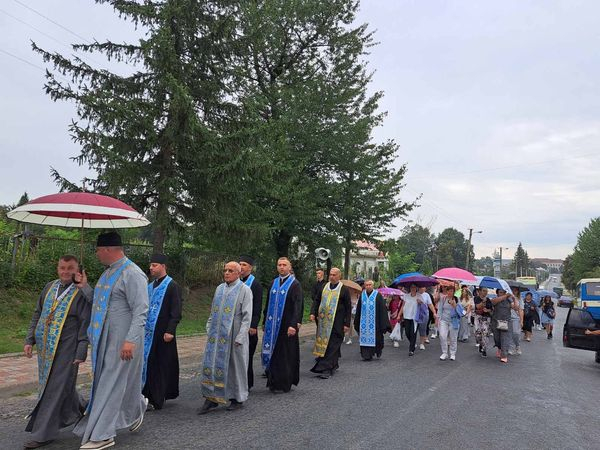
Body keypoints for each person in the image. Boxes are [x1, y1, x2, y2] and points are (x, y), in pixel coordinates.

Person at [73, 231, 149, 450]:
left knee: (110, 383)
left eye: (97, 251)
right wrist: (84, 287)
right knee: (112, 382)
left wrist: (130, 340)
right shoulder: (108, 274)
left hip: (123, 341)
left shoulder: (133, 273)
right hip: (105, 339)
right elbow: (99, 303)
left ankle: (103, 434)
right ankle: (136, 407)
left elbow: (141, 310)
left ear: (107, 249)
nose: (96, 255)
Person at [23, 255, 91, 449]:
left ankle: (43, 434)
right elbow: (38, 313)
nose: (65, 272)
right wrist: (30, 340)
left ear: (78, 270)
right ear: (57, 268)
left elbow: (85, 323)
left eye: (70, 268)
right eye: (62, 267)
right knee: (59, 386)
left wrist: (81, 351)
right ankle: (85, 409)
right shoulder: (49, 287)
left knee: (55, 387)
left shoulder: (80, 292)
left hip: (68, 348)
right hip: (46, 348)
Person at [198, 262, 252, 414]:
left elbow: (247, 316)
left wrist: (241, 336)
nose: (227, 273)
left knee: (235, 366)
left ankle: (237, 398)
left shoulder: (244, 290)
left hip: (234, 333)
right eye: (225, 270)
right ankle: (211, 397)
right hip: (217, 334)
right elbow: (213, 310)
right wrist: (209, 327)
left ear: (238, 273)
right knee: (213, 363)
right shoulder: (220, 288)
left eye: (230, 270)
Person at [143, 253, 182, 410]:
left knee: (161, 365)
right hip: (148, 334)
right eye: (151, 265)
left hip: (163, 333)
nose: (151, 268)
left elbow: (176, 310)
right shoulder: (149, 286)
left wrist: (170, 330)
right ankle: (145, 395)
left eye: (155, 265)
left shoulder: (172, 286)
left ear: (163, 266)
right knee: (148, 364)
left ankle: (158, 398)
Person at [262, 257, 303, 392]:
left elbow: (298, 305)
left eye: (284, 265)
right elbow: (267, 303)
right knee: (274, 353)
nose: (281, 267)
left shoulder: (295, 284)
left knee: (285, 354)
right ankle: (273, 381)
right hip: (272, 325)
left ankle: (284, 383)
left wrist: (294, 324)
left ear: (289, 267)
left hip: (286, 325)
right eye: (279, 265)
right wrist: (264, 321)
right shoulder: (273, 283)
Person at [310, 267, 352, 378]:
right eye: (330, 274)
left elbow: (348, 307)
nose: (332, 277)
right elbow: (317, 300)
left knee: (333, 344)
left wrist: (347, 323)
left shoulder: (343, 289)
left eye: (334, 275)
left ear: (339, 276)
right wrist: (313, 312)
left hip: (337, 322)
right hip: (323, 322)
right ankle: (331, 364)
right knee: (326, 344)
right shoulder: (324, 287)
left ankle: (326, 368)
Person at [239, 255, 263, 391]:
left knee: (246, 356)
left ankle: (247, 383)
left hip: (249, 327)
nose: (241, 267)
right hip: (237, 325)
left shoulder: (255, 284)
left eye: (244, 265)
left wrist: (253, 325)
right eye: (240, 264)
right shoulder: (237, 282)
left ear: (250, 268)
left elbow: (257, 306)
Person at [353, 280, 391, 360]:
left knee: (377, 339)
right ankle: (366, 355)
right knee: (364, 338)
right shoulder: (362, 295)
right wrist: (356, 321)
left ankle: (377, 350)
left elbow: (383, 310)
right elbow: (358, 309)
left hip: (375, 323)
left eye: (370, 285)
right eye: (366, 285)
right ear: (364, 286)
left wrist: (383, 324)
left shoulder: (378, 295)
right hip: (364, 323)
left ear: (373, 286)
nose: (368, 286)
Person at [435, 285, 461, 361]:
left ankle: (452, 353)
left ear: (454, 292)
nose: (450, 292)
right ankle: (444, 353)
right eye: (449, 291)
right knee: (442, 336)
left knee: (453, 338)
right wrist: (437, 319)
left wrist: (454, 305)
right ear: (446, 291)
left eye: (452, 291)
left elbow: (460, 311)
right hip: (444, 320)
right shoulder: (443, 299)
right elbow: (439, 310)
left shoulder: (457, 299)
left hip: (454, 321)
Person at [398, 283, 423, 356]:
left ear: (416, 288)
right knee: (407, 332)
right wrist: (399, 315)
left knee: (413, 333)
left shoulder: (419, 296)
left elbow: (423, 306)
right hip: (407, 316)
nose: (413, 288)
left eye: (414, 287)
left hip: (415, 318)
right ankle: (413, 343)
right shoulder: (406, 296)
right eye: (411, 287)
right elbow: (403, 306)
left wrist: (420, 302)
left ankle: (411, 350)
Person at [491, 288, 514, 363]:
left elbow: (515, 307)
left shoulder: (509, 299)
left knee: (505, 338)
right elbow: (493, 302)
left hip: (506, 321)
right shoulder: (495, 299)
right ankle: (499, 348)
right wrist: (505, 296)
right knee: (497, 338)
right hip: (496, 321)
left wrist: (515, 299)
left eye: (503, 292)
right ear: (497, 293)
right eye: (500, 292)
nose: (502, 293)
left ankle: (504, 355)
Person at [474, 288, 493, 357]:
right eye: (484, 291)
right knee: (477, 333)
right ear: (480, 291)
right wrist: (483, 302)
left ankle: (484, 349)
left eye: (486, 291)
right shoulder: (476, 298)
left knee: (485, 333)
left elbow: (491, 310)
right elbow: (477, 306)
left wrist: (487, 310)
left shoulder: (488, 300)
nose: (485, 292)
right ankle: (480, 344)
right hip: (478, 317)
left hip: (486, 318)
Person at [508, 287, 523, 355]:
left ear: (518, 292)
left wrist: (522, 320)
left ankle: (517, 345)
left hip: (516, 318)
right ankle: (511, 348)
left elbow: (521, 310)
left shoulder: (519, 299)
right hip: (507, 318)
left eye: (516, 291)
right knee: (509, 334)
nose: (514, 292)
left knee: (516, 333)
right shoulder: (507, 298)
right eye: (513, 290)